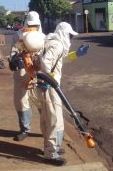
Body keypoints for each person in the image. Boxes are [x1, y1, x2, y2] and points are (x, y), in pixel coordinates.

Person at [38, 22, 88, 166]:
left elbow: (60, 61)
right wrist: (50, 79)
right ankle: (50, 154)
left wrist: (77, 55)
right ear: (64, 34)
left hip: (49, 86)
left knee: (51, 119)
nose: (70, 38)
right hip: (50, 87)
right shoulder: (57, 44)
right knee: (54, 121)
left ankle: (53, 147)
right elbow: (45, 62)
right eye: (69, 35)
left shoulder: (53, 42)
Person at [10, 11, 45, 141]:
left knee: (43, 104)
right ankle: (25, 129)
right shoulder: (18, 36)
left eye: (35, 25)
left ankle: (47, 130)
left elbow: (46, 56)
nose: (33, 28)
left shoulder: (43, 37)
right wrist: (15, 59)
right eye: (31, 25)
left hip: (37, 75)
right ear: (26, 23)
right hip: (22, 75)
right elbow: (14, 51)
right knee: (21, 103)